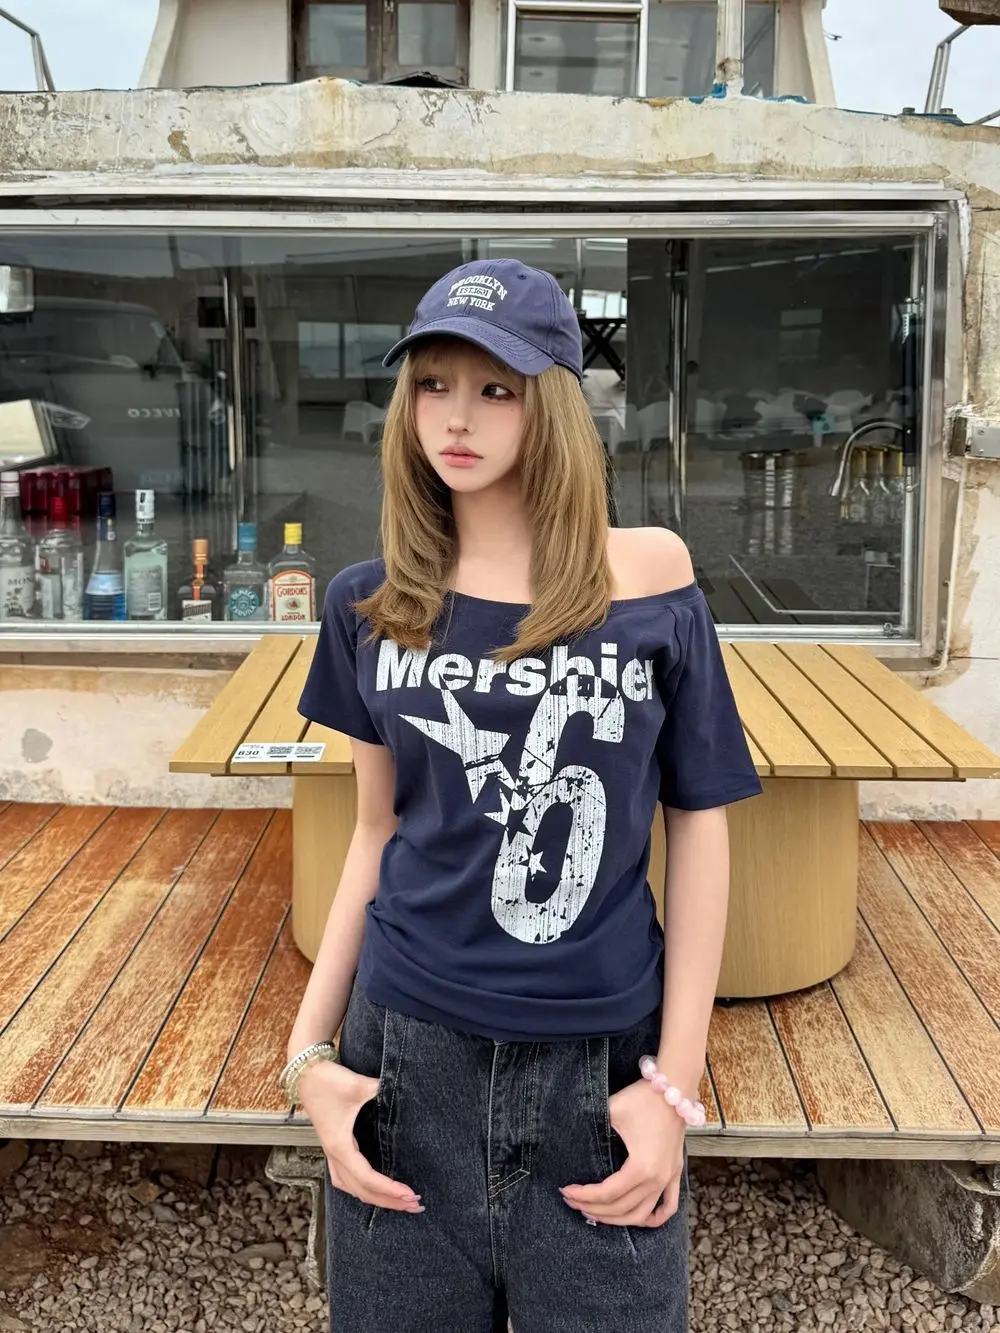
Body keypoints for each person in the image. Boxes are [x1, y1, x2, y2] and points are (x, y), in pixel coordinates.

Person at [283, 259, 763, 1332]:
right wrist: (308, 1058)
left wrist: (674, 1089)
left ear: (551, 403)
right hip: (403, 1063)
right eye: (433, 384)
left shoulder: (650, 578)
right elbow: (373, 834)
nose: (457, 417)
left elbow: (700, 822)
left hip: (595, 1070)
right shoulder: (369, 602)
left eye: (496, 388)